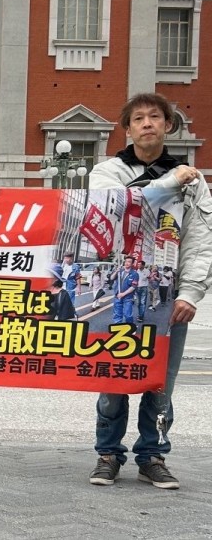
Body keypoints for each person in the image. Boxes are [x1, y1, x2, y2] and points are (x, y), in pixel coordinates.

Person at [87, 92, 212, 490]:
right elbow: (115, 209)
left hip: (167, 295)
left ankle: (153, 456)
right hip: (116, 293)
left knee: (161, 382)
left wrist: (190, 293)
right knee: (113, 376)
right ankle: (108, 454)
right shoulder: (106, 172)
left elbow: (200, 239)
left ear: (168, 125)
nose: (146, 123)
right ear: (126, 129)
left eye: (154, 117)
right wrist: (169, 183)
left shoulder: (192, 181)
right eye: (138, 118)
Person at [110, 256, 138, 326]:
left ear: (132, 264)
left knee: (127, 314)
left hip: (128, 297)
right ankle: (117, 327)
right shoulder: (120, 271)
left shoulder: (134, 274)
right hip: (117, 296)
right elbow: (111, 278)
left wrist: (123, 294)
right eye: (126, 261)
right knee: (117, 314)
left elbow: (133, 287)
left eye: (129, 262)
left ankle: (130, 327)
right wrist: (116, 271)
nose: (127, 263)